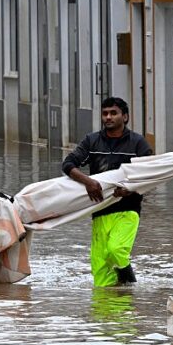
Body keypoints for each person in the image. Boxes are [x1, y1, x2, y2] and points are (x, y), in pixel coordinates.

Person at [62, 96, 153, 287]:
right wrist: (88, 182)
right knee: (101, 271)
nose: (108, 117)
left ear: (125, 117)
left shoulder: (137, 143)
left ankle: (130, 286)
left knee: (116, 249)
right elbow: (69, 164)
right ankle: (107, 311)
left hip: (128, 210)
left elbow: (149, 175)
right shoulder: (92, 141)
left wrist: (129, 190)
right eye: (105, 113)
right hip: (100, 210)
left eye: (113, 113)